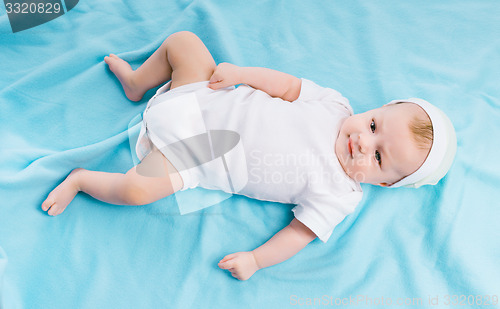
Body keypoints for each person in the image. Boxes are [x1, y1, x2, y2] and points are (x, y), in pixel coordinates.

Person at [41, 31, 457, 281]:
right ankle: (137, 83)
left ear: (383, 183)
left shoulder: (340, 193)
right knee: (184, 43)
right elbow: (288, 86)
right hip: (201, 95)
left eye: (379, 158)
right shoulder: (336, 106)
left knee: (137, 189)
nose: (364, 143)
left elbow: (298, 234)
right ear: (375, 110)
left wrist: (257, 260)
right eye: (373, 126)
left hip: (197, 155)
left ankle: (79, 179)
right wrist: (241, 75)